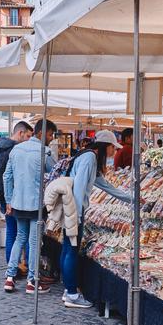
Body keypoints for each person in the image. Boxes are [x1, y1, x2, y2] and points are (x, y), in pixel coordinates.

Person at [61, 130, 133, 309]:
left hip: (71, 209)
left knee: (67, 248)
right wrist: (76, 216)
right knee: (71, 250)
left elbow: (104, 185)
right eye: (113, 148)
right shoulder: (89, 159)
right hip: (73, 210)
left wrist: (131, 198)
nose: (114, 152)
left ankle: (68, 289)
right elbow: (78, 188)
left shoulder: (89, 158)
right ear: (106, 146)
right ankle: (71, 293)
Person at [3, 119, 57, 295]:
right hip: (35, 204)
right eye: (50, 135)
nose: (51, 138)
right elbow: (56, 173)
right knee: (34, 242)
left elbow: (7, 177)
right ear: (41, 133)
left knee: (20, 238)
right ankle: (32, 281)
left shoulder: (16, 149)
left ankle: (10, 278)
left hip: (18, 202)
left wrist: (9, 200)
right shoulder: (45, 152)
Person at [0, 121, 34, 288]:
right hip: (16, 199)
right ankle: (23, 271)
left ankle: (12, 268)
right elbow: (10, 176)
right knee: (24, 236)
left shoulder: (0, 146)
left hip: (5, 198)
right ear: (21, 133)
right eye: (29, 136)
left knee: (12, 234)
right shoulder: (15, 149)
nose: (30, 140)